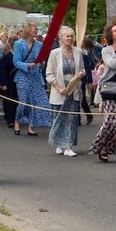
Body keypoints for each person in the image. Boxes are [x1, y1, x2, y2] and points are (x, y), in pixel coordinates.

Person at [90, 23, 116, 163]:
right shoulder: (106, 50)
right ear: (110, 34)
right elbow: (113, 65)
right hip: (110, 88)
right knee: (111, 120)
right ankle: (101, 147)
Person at [46, 26, 86, 157]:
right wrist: (58, 87)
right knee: (58, 117)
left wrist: (81, 74)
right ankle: (59, 143)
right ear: (61, 38)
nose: (69, 38)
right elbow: (49, 73)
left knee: (71, 118)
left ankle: (68, 146)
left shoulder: (78, 52)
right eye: (67, 36)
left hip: (73, 89)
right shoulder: (54, 53)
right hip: (59, 89)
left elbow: (82, 69)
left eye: (71, 36)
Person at [12, 23, 52, 135]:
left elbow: (40, 60)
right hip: (23, 76)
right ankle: (17, 121)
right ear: (29, 30)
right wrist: (27, 65)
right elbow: (16, 62)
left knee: (35, 102)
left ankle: (30, 126)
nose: (36, 31)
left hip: (35, 76)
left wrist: (42, 63)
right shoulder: (18, 44)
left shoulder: (39, 44)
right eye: (35, 29)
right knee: (23, 102)